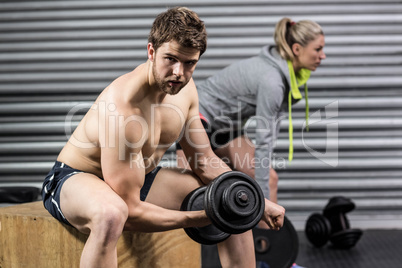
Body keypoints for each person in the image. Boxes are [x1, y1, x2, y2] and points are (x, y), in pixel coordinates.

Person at [41, 7, 285, 268]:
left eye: (189, 63)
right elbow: (130, 211)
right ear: (151, 52)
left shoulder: (186, 91)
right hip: (75, 179)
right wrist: (198, 217)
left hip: (139, 177)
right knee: (111, 214)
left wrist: (258, 202)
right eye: (170, 59)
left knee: (230, 197)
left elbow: (203, 161)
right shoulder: (122, 109)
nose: (179, 72)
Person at [177, 17, 326, 205]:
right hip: (196, 117)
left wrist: (265, 201)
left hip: (225, 127)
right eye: (318, 49)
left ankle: (266, 235)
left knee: (268, 180)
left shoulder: (279, 74)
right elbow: (265, 141)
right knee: (193, 191)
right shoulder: (272, 82)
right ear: (296, 49)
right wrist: (266, 204)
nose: (323, 56)